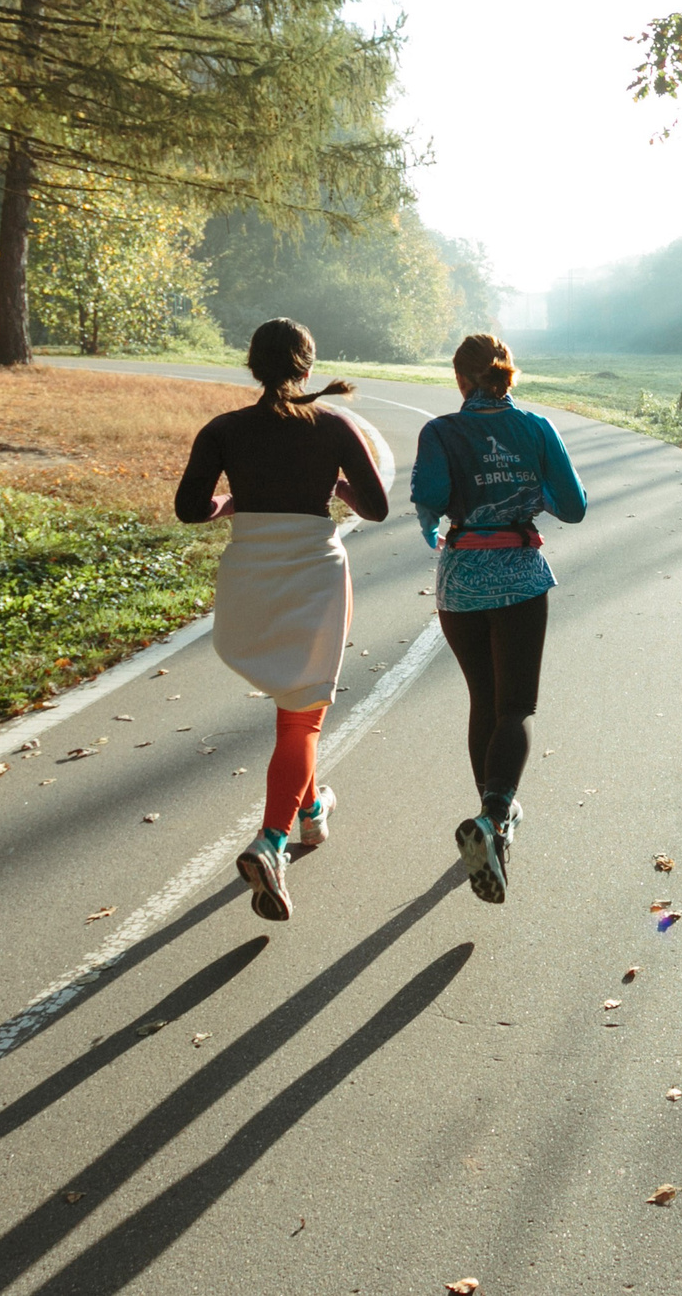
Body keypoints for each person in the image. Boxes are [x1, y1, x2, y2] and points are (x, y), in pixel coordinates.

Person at [176, 319, 393, 920]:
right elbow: (375, 508)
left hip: (249, 574)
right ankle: (271, 843)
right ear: (306, 366)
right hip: (313, 576)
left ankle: (311, 814)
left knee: (299, 707)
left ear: (253, 367)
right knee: (302, 717)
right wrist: (338, 486)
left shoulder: (222, 430)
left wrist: (234, 502)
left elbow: (190, 508)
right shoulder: (335, 425)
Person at [410, 332, 586, 903]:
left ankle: (493, 826)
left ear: (460, 379)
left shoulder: (439, 431)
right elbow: (573, 507)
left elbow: (429, 500)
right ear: (507, 375)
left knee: (483, 701)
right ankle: (493, 818)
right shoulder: (537, 428)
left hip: (459, 583)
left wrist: (439, 522)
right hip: (518, 578)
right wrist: (528, 487)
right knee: (516, 707)